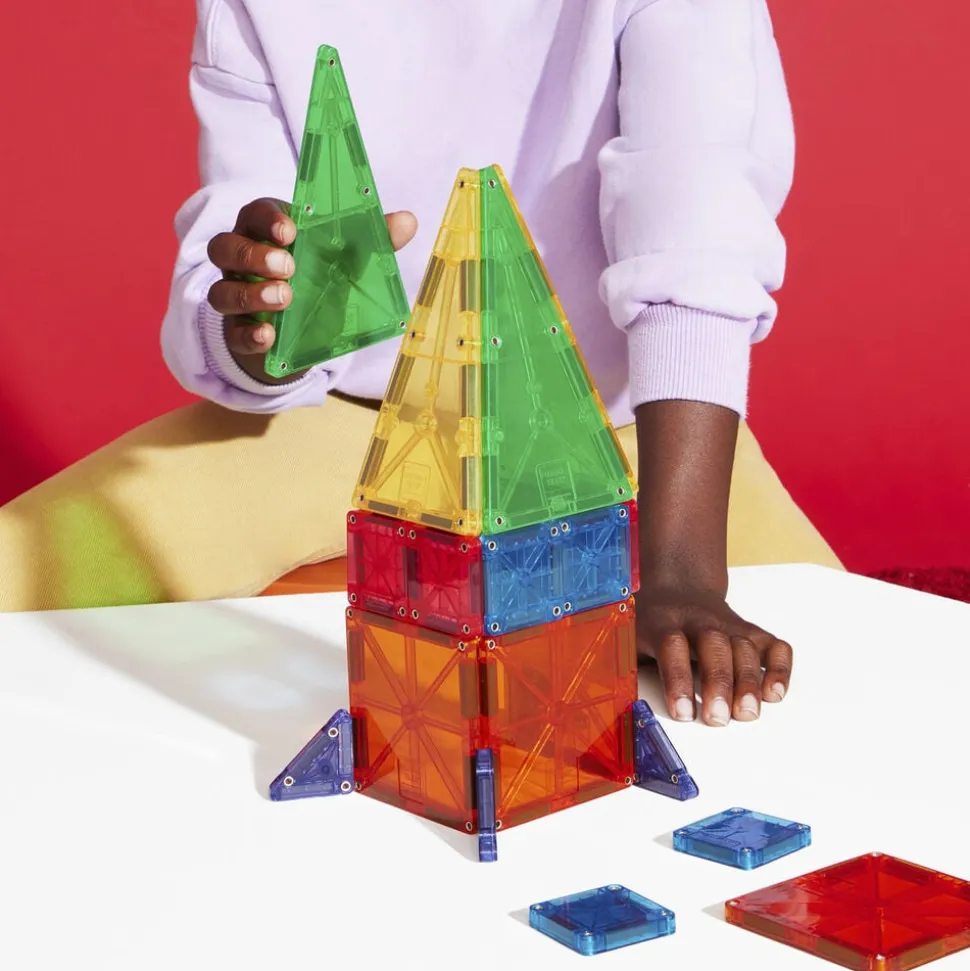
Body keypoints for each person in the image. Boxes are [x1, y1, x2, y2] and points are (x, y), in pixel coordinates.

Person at [0, 0, 841, 728]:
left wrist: (683, 570)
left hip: (620, 437)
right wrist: (264, 323)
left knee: (854, 667)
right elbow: (238, 241)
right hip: (350, 426)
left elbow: (694, 215)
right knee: (22, 566)